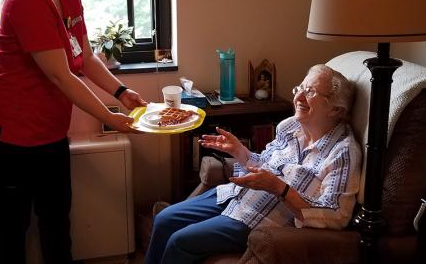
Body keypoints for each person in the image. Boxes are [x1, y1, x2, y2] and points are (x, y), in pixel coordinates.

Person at [0, 0, 146, 263]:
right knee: (9, 231)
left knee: (56, 225)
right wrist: (112, 118)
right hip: (6, 138)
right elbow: (62, 77)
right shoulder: (25, 1)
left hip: (48, 135)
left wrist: (123, 93)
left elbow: (86, 58)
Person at [145, 64, 361, 264]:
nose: (299, 97)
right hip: (236, 194)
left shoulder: (342, 152)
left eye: (311, 92)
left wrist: (279, 188)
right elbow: (264, 164)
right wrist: (240, 151)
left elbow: (336, 215)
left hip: (261, 218)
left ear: (335, 109)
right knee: (164, 219)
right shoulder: (290, 127)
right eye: (300, 88)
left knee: (179, 241)